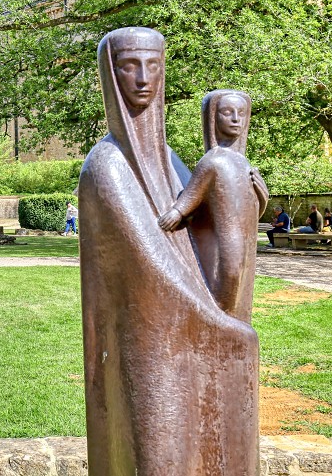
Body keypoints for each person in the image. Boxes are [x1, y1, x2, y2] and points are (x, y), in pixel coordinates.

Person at [79, 27, 258, 475]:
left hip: (184, 328)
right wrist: (220, 323)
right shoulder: (107, 165)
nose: (142, 78)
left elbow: (199, 233)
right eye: (129, 66)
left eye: (152, 66)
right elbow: (149, 265)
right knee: (159, 446)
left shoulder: (173, 160)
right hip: (151, 341)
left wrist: (244, 197)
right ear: (111, 74)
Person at [158, 90, 268, 322]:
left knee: (241, 287)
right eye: (227, 113)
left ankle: (234, 330)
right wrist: (177, 212)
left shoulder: (243, 162)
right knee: (228, 278)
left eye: (241, 113)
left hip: (246, 237)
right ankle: (219, 326)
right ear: (214, 119)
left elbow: (251, 209)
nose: (236, 119)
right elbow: (193, 194)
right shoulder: (213, 161)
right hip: (225, 238)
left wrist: (262, 194)